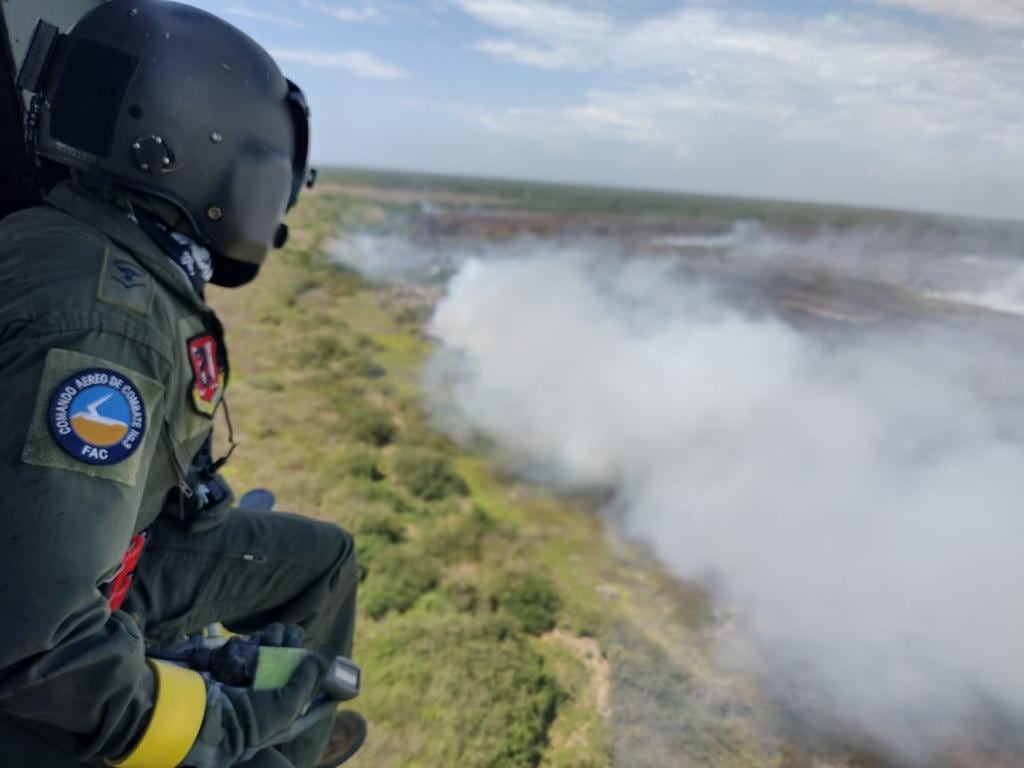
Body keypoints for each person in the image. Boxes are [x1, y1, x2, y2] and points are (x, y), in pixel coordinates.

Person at [0, 1, 364, 765]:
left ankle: (306, 724)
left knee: (323, 557)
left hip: (112, 550)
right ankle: (291, 739)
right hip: (57, 625)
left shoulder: (89, 247)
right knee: (258, 755)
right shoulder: (103, 326)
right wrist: (228, 722)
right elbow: (39, 648)